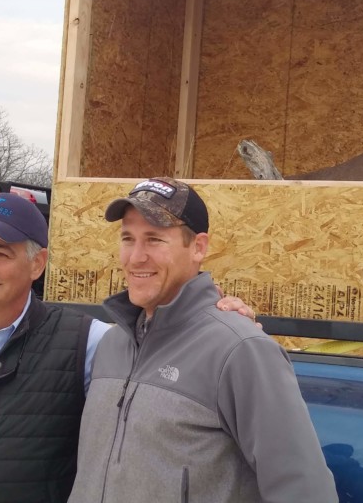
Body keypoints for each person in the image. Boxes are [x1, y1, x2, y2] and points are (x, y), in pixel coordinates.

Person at [0, 191, 255, 502]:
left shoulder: (89, 342)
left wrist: (215, 314)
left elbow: (162, 343)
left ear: (37, 264)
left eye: (1, 253)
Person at [69, 177, 337, 502]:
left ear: (198, 247)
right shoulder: (112, 345)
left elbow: (304, 491)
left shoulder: (240, 351)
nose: (136, 257)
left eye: (154, 239)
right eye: (128, 238)